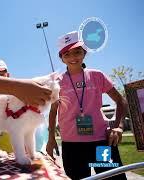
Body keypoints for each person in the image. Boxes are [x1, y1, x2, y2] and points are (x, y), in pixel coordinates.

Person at [46, 31, 127, 180]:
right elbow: (53, 112)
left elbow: (121, 101)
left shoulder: (97, 76)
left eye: (77, 52)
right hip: (72, 146)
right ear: (61, 58)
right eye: (67, 54)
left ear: (84, 53)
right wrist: (51, 138)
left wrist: (119, 126)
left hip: (101, 143)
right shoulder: (56, 82)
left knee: (112, 178)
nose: (73, 57)